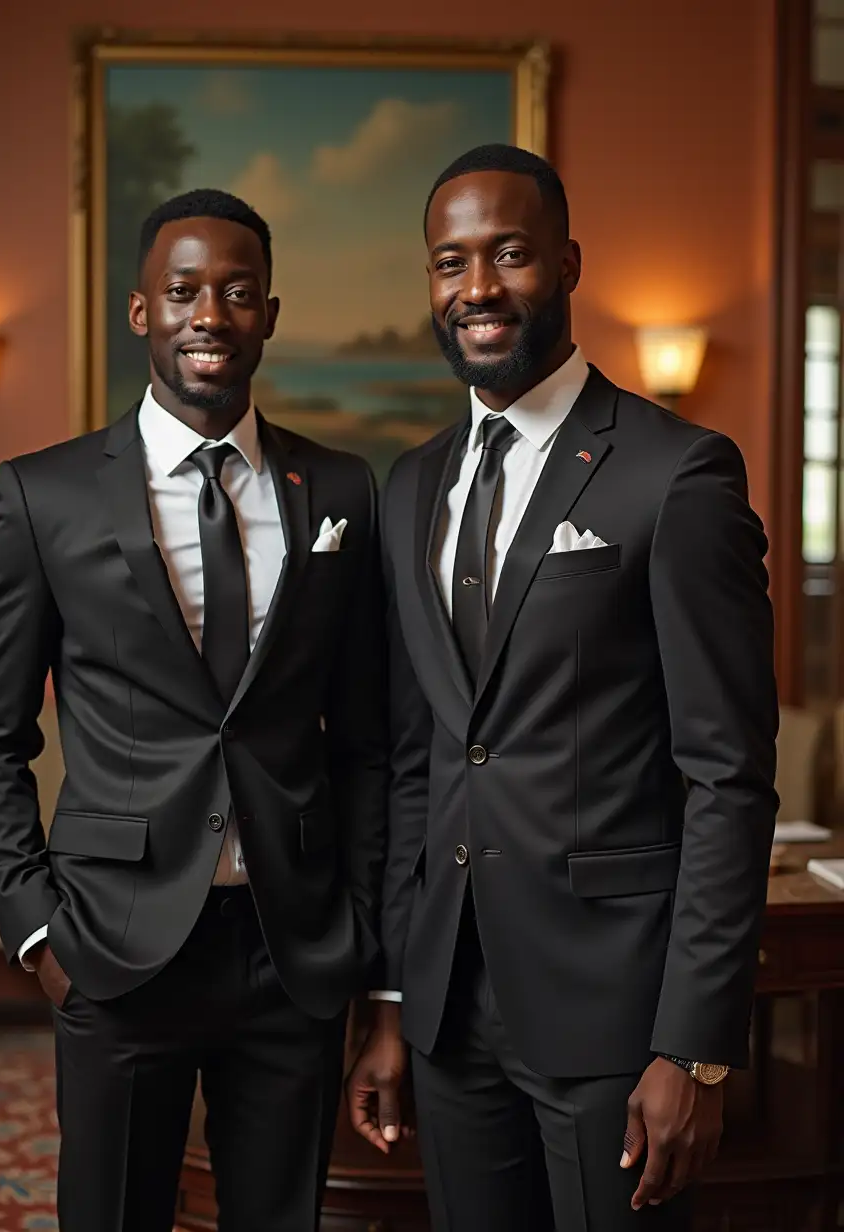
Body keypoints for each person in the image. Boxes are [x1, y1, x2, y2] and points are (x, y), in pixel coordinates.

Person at [347, 144, 778, 1230]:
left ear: (569, 264)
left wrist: (696, 1046)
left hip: (615, 1013)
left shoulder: (674, 472)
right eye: (451, 263)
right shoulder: (411, 486)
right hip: (450, 1005)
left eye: (509, 254)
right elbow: (418, 759)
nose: (478, 288)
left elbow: (728, 778)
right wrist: (396, 1002)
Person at [0, 188, 387, 1232]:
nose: (211, 314)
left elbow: (369, 742)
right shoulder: (41, 495)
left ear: (268, 315)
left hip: (291, 948)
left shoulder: (338, 491)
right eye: (184, 289)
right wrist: (38, 930)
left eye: (238, 292)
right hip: (112, 945)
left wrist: (359, 927)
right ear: (141, 310)